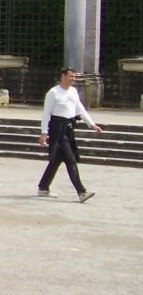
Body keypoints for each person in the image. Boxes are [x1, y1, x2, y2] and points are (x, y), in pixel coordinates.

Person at [37, 67, 102, 202]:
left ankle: (43, 187)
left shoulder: (73, 91)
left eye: (74, 76)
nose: (74, 79)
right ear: (63, 76)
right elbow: (46, 113)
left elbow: (80, 110)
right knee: (70, 159)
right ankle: (81, 192)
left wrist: (91, 124)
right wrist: (44, 133)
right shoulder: (53, 92)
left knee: (56, 160)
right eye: (71, 76)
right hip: (57, 128)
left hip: (69, 128)